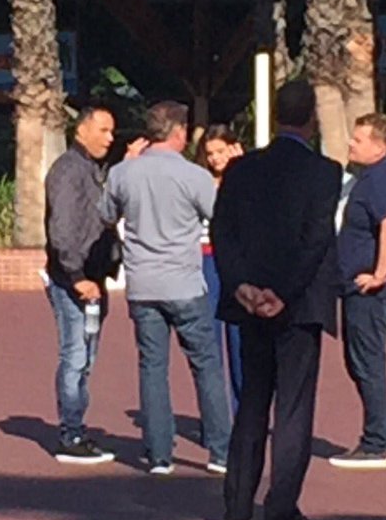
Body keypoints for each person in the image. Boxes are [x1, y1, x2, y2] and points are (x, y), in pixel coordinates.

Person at [212, 80, 342, 520]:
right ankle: (280, 511)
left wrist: (241, 285)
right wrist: (283, 293)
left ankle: (237, 506)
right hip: (297, 305)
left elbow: (222, 231)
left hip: (250, 302)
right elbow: (315, 240)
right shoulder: (324, 172)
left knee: (252, 401)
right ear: (312, 120)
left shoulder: (242, 169)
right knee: (293, 408)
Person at [101, 100, 231, 476]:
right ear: (178, 132)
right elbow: (220, 216)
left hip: (143, 284)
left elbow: (105, 214)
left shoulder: (123, 173)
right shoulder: (194, 175)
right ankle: (220, 452)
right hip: (185, 281)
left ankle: (159, 454)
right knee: (206, 365)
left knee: (153, 366)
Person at [45, 105, 146, 465]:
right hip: (75, 281)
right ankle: (70, 435)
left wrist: (126, 166)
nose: (109, 138)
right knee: (75, 356)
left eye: (112, 131)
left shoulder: (94, 170)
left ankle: (76, 429)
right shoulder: (68, 171)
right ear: (81, 130)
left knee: (85, 357)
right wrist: (77, 277)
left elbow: (104, 212)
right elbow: (62, 230)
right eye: (103, 130)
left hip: (94, 278)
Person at [329, 113, 386, 471]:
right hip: (356, 289)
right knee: (360, 361)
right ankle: (384, 438)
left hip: (370, 293)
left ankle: (375, 442)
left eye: (359, 139)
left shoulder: (382, 180)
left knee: (367, 363)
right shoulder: (367, 178)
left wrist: (380, 274)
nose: (351, 143)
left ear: (380, 147)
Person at [195, 125, 243, 412]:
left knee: (240, 339)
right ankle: (214, 417)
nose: (215, 158)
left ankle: (243, 413)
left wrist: (241, 171)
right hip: (206, 260)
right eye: (210, 153)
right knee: (209, 340)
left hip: (236, 261)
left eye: (220, 151)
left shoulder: (247, 178)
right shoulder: (199, 181)